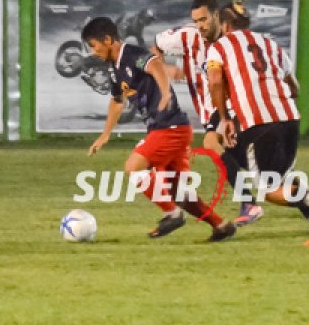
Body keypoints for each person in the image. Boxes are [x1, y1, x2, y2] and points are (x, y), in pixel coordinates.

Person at [83, 16, 235, 241]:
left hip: (169, 128)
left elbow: (155, 64)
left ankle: (172, 213)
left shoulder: (130, 54)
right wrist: (105, 134)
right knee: (176, 191)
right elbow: (117, 100)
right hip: (171, 129)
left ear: (107, 39)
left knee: (133, 167)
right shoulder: (113, 68)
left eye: (94, 46)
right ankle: (221, 226)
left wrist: (165, 93)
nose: (93, 52)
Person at [206, 12, 309, 247]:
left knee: (269, 190)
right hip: (289, 118)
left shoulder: (221, 46)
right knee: (280, 177)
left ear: (225, 25)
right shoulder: (271, 45)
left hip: (260, 122)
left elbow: (214, 82)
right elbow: (293, 88)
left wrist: (225, 118)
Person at [154, 0, 264, 227]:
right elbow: (156, 46)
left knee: (212, 144)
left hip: (230, 110)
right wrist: (166, 69)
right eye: (197, 20)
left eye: (204, 19)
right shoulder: (186, 37)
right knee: (259, 168)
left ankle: (250, 204)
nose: (201, 25)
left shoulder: (232, 42)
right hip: (209, 113)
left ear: (217, 17)